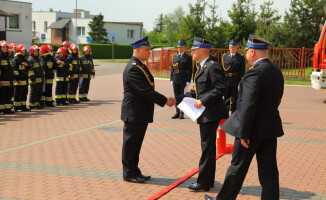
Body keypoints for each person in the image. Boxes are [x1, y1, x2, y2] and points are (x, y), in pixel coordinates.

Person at [204, 35, 284, 200]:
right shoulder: (277, 72)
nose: (245, 53)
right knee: (269, 172)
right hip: (269, 129)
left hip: (251, 131)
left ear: (252, 52)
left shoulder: (254, 73)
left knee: (237, 168)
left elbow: (248, 105)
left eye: (247, 50)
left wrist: (243, 133)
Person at [121, 36, 176, 183]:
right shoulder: (133, 67)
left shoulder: (139, 64)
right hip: (134, 113)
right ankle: (128, 173)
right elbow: (145, 90)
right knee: (130, 144)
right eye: (146, 50)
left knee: (136, 144)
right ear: (137, 50)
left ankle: (135, 170)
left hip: (139, 112)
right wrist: (165, 101)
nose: (149, 53)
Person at [176, 37, 227, 191]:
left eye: (194, 49)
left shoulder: (212, 67)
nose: (192, 52)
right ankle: (208, 181)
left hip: (210, 113)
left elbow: (220, 88)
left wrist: (203, 100)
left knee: (207, 148)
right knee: (208, 148)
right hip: (205, 113)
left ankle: (202, 182)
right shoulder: (201, 67)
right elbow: (197, 91)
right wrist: (176, 99)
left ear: (202, 50)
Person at [221, 40, 245, 115]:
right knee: (226, 99)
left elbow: (242, 71)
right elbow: (222, 70)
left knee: (234, 99)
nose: (232, 48)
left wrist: (240, 83)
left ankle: (233, 116)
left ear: (236, 47)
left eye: (234, 47)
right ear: (229, 47)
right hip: (226, 80)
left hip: (235, 80)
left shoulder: (240, 57)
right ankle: (225, 116)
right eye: (231, 46)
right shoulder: (224, 56)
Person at [170, 40, 193, 119]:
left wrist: (188, 80)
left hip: (183, 79)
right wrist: (171, 79)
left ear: (184, 48)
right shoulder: (175, 56)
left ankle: (182, 113)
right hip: (175, 78)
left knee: (183, 97)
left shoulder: (188, 57)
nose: (179, 49)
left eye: (181, 47)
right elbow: (172, 69)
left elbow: (190, 70)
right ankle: (177, 112)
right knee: (176, 96)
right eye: (178, 47)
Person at [12, 44, 31, 112]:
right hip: (19, 81)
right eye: (23, 51)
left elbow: (30, 66)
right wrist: (18, 79)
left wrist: (27, 65)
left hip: (25, 80)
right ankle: (16, 107)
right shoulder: (16, 59)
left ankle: (23, 106)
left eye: (25, 51)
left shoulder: (25, 59)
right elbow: (15, 70)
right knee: (18, 94)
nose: (24, 52)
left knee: (24, 94)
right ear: (19, 51)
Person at [0, 40, 15, 114]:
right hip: (2, 80)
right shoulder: (0, 56)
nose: (5, 48)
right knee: (2, 95)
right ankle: (1, 110)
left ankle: (7, 109)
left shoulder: (8, 56)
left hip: (9, 80)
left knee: (8, 95)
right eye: (3, 47)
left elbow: (10, 68)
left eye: (6, 47)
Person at [28, 45, 44, 109]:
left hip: (40, 79)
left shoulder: (38, 59)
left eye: (37, 51)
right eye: (35, 51)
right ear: (32, 51)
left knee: (38, 93)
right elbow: (30, 71)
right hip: (34, 80)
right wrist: (33, 80)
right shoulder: (30, 59)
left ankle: (37, 104)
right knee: (33, 93)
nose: (36, 52)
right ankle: (32, 105)